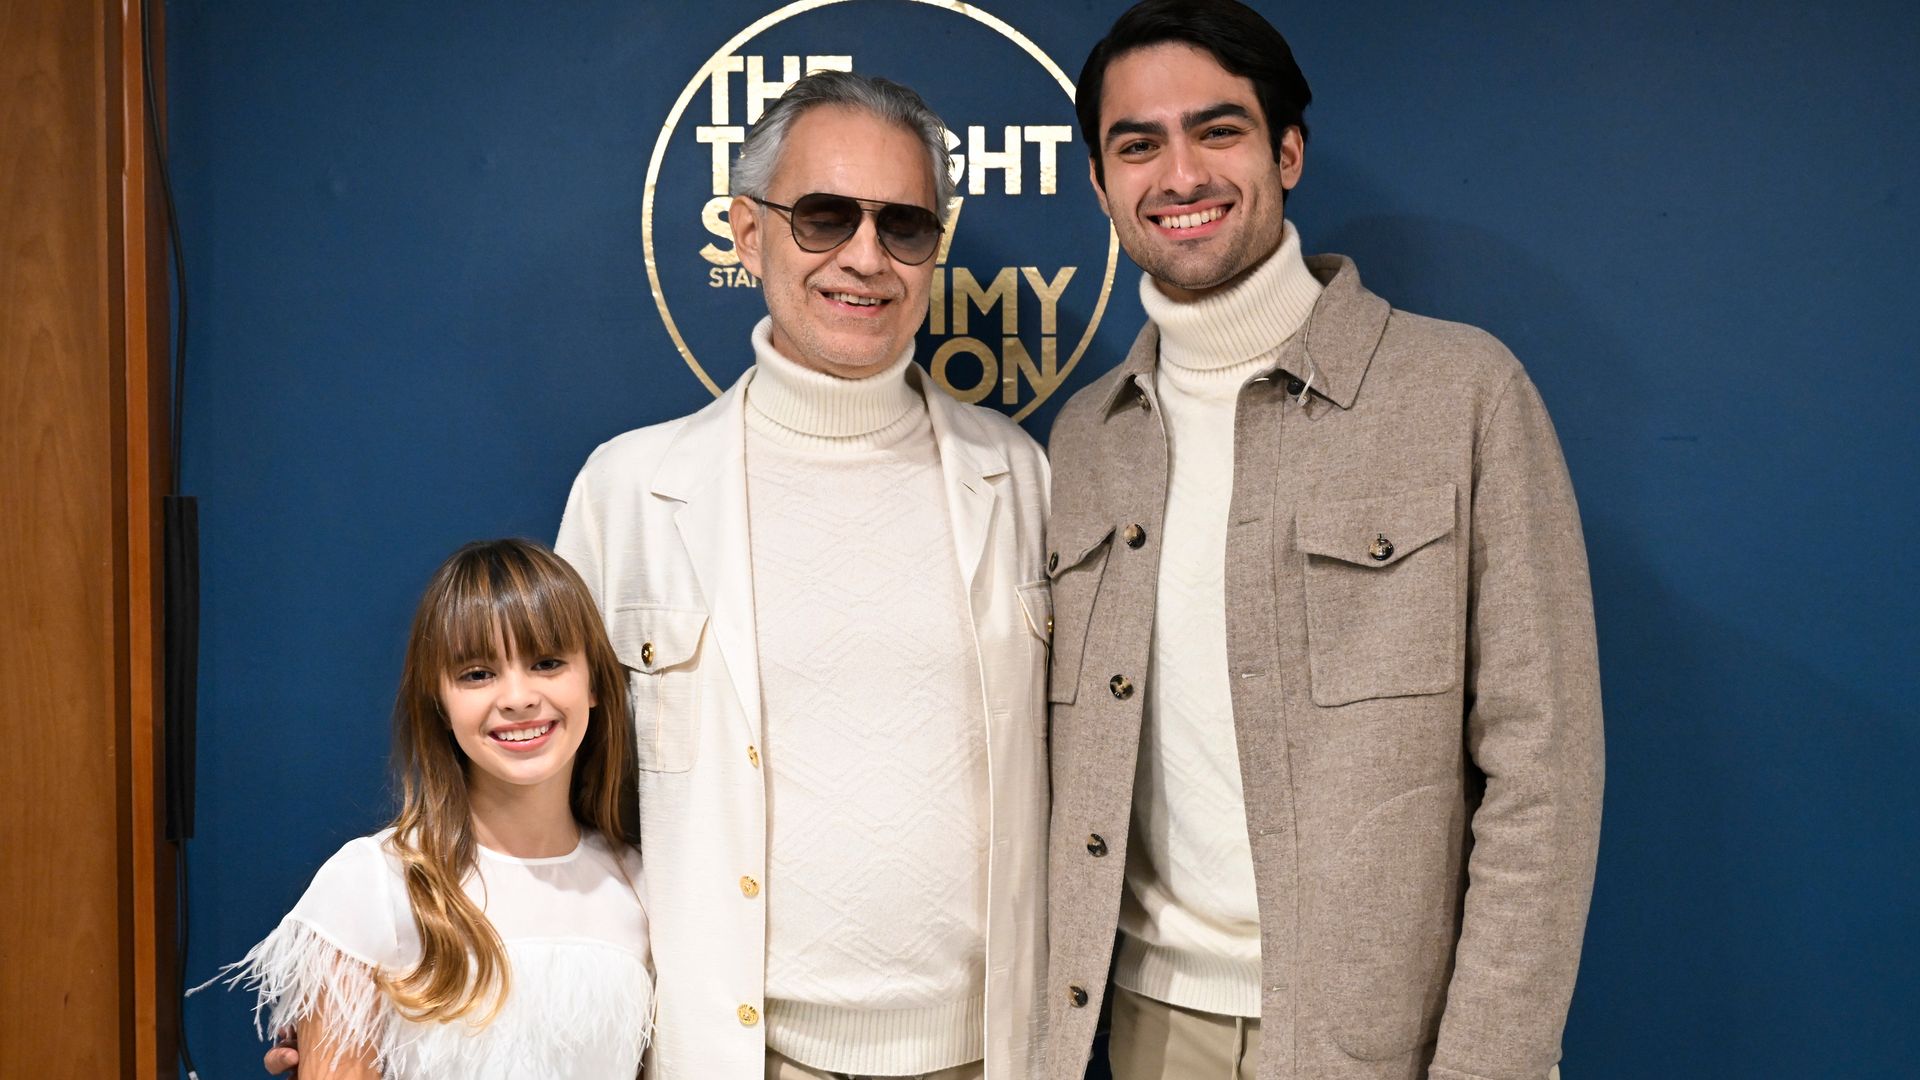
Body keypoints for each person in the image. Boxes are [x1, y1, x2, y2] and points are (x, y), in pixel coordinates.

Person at [1043, 3, 1603, 1079]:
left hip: (1386, 1041)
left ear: (1287, 152)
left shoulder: (1462, 393)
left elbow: (1545, 777)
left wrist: (1489, 1063)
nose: (1180, 174)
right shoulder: (1085, 439)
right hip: (1149, 1029)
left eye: (1218, 131)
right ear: (1103, 183)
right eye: (1138, 145)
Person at [555, 71, 1049, 1080]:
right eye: (824, 217)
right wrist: (405, 975)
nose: (865, 257)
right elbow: (535, 789)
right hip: (735, 1058)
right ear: (748, 232)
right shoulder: (629, 490)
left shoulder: (1024, 476)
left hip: (989, 1056)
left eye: (904, 226)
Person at [218, 538, 651, 1079]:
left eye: (546, 663)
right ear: (440, 703)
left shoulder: (641, 887)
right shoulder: (371, 884)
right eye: (478, 674)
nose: (517, 697)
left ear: (595, 683)